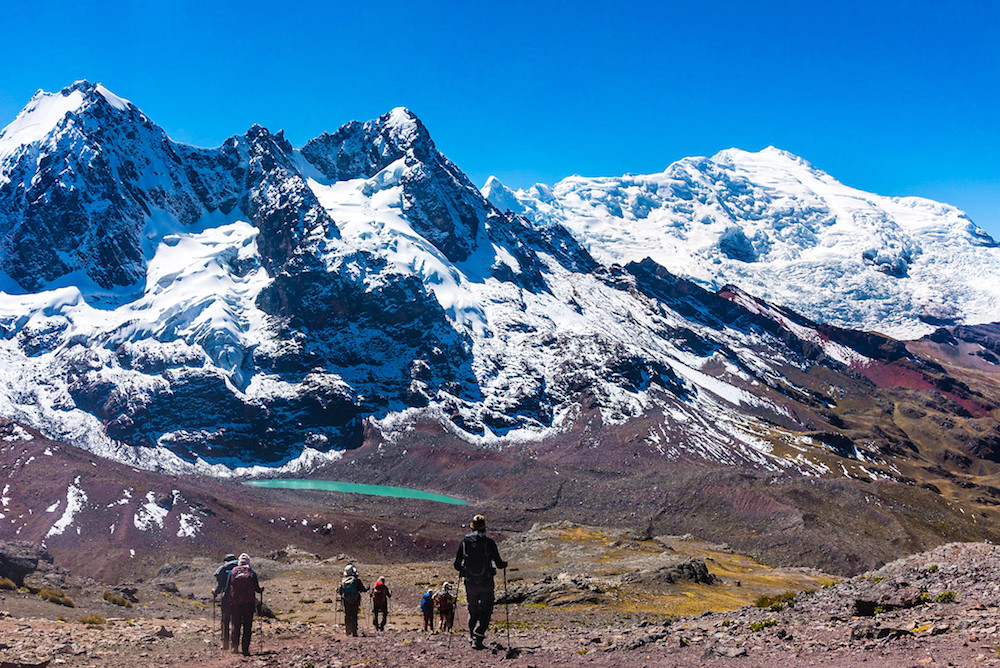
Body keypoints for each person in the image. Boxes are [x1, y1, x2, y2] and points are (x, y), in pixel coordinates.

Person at [453, 514, 507, 649]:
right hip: (486, 582)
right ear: (484, 527)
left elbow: (456, 565)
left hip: (470, 582)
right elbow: (499, 564)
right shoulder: (489, 543)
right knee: (486, 610)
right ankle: (478, 636)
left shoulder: (465, 542)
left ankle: (471, 637)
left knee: (473, 610)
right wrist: (504, 564)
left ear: (472, 527)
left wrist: (465, 572)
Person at [222, 553, 263, 656]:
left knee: (236, 625)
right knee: (247, 626)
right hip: (248, 604)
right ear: (248, 562)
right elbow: (257, 589)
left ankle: (234, 647)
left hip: (235, 604)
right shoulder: (252, 573)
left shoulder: (232, 572)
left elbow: (227, 589)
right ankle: (245, 649)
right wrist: (261, 589)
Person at [211, 553, 239, 650]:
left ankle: (225, 644)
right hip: (238, 599)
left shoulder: (223, 569)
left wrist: (214, 592)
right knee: (236, 621)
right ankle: (235, 646)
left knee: (225, 620)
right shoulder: (240, 568)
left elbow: (219, 586)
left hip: (226, 598)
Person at [337, 564, 368, 636]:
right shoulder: (356, 580)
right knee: (354, 615)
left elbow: (340, 592)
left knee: (347, 614)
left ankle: (348, 631)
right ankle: (354, 632)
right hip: (355, 600)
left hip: (346, 600)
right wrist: (367, 588)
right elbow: (362, 589)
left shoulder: (343, 581)